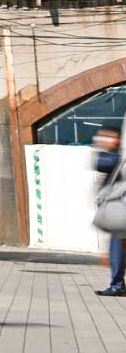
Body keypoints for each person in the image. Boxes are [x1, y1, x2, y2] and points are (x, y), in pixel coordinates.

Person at [94, 126, 124, 297]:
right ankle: (118, 284)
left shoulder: (117, 158)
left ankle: (117, 285)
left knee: (117, 249)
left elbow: (100, 163)